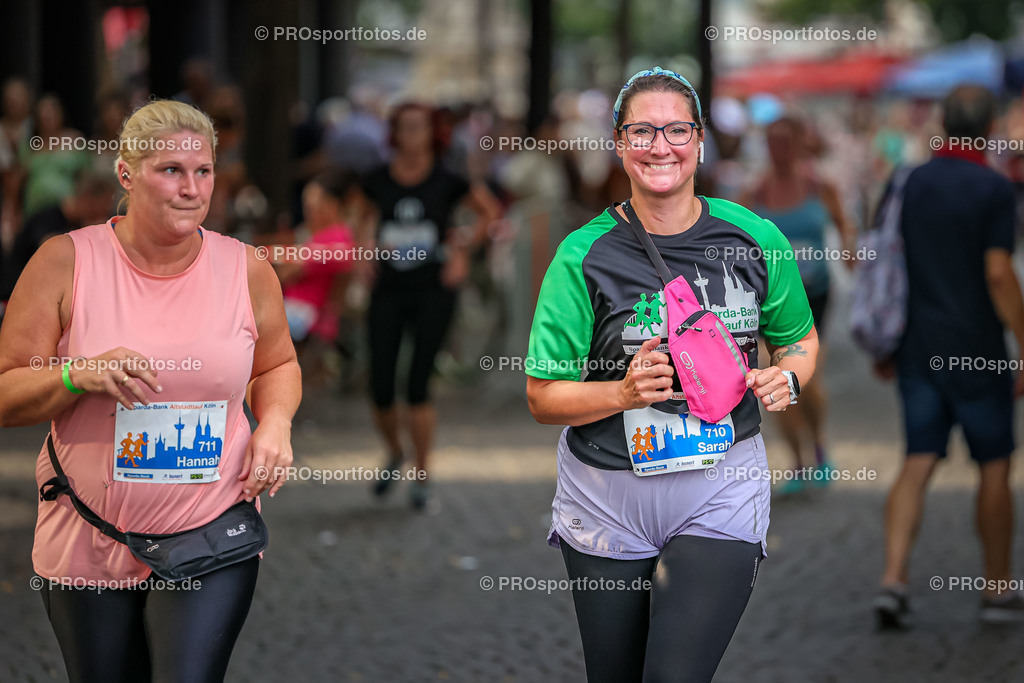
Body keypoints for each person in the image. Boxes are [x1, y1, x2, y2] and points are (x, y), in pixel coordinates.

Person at [526, 67, 818, 682]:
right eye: (642, 131)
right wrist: (623, 391)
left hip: (720, 483)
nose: (661, 146)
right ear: (619, 143)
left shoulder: (755, 237)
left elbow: (798, 341)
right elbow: (543, 396)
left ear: (701, 139)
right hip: (607, 494)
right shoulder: (582, 255)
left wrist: (787, 379)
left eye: (677, 130)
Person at [0, 99, 301, 682]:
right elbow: (7, 389)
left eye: (204, 171)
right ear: (126, 175)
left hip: (211, 526)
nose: (191, 188)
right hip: (88, 531)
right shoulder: (64, 262)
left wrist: (278, 425)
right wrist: (75, 373)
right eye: (170, 170)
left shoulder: (245, 268)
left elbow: (277, 364)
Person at [873, 84, 1024, 628]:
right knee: (994, 464)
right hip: (979, 349)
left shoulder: (908, 181)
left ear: (941, 119)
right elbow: (999, 273)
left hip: (918, 345)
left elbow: (883, 259)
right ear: (989, 126)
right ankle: (997, 589)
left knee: (917, 459)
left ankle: (893, 580)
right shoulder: (994, 188)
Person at [360, 102, 500, 509]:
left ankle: (421, 473)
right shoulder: (377, 180)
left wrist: (462, 250)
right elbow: (363, 218)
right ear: (394, 134)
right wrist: (364, 252)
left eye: (419, 127)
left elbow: (489, 214)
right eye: (403, 127)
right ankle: (394, 452)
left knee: (418, 384)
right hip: (387, 288)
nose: (411, 135)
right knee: (381, 385)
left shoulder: (448, 180)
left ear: (432, 133)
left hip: (432, 290)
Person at [742, 115, 857, 494]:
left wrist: (852, 255)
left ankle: (820, 446)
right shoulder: (754, 193)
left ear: (799, 144)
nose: (779, 150)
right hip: (767, 300)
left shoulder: (819, 186)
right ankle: (798, 462)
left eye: (785, 142)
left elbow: (843, 223)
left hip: (814, 296)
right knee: (773, 379)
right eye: (772, 142)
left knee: (808, 379)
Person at [0, 169, 115, 303]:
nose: (107, 211)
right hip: (14, 296)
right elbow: (55, 254)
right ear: (87, 199)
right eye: (106, 203)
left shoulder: (78, 223)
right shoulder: (47, 220)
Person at [274, 169, 357, 344]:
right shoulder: (327, 237)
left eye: (312, 207)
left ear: (331, 205)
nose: (308, 213)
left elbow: (285, 272)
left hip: (308, 317)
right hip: (300, 313)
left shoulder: (335, 239)